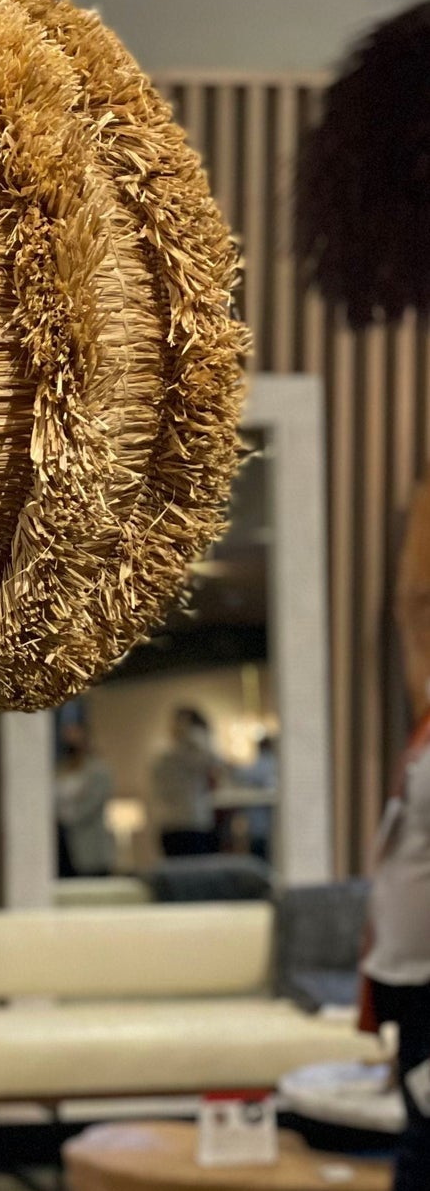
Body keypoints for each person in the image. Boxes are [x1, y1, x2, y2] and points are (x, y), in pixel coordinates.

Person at [362, 479, 430, 1190]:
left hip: (419, 968)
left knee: (423, 1135)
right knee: (421, 1123)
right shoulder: (425, 729)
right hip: (409, 968)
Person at [151, 705, 220, 857]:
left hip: (185, 822)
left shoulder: (176, 755)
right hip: (184, 823)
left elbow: (213, 762)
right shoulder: (171, 757)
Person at [55, 721, 116, 877]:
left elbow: (91, 805)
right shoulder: (59, 770)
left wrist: (66, 818)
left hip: (89, 844)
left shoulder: (98, 771)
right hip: (62, 843)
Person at [237, 733, 279, 864]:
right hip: (260, 820)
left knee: (261, 853)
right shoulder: (270, 763)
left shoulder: (266, 763)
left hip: (263, 820)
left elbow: (242, 775)